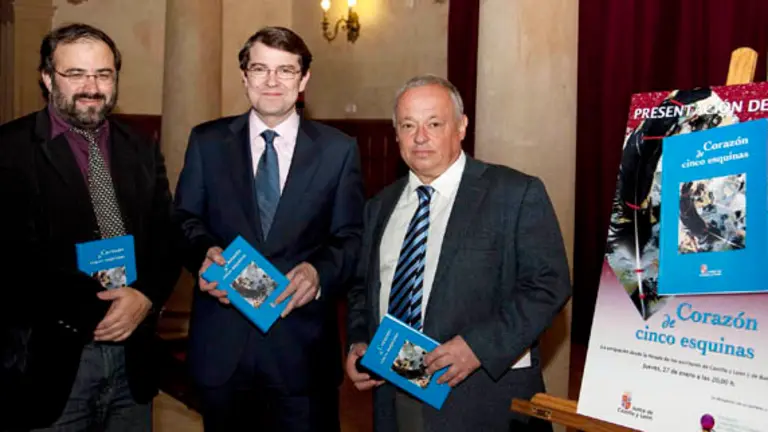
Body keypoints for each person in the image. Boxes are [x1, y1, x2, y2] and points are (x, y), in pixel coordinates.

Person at [346, 75, 572, 431]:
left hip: (484, 400)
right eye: (408, 125)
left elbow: (548, 285)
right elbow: (362, 289)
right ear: (396, 134)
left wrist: (478, 348)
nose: (420, 137)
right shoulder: (380, 206)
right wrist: (359, 341)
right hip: (394, 394)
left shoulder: (514, 193)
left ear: (461, 127)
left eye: (434, 123)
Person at [173, 26, 364, 431]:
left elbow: (349, 235)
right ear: (244, 77)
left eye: (286, 71)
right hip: (223, 349)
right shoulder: (207, 141)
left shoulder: (338, 149)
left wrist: (319, 272)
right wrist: (202, 253)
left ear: (304, 80)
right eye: (260, 69)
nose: (272, 82)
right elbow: (184, 220)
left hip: (302, 351)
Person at [0, 23, 180, 431]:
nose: (92, 87)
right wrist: (102, 307)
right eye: (76, 74)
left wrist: (145, 297)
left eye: (103, 74)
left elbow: (166, 239)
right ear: (47, 78)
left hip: (133, 357)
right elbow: (14, 262)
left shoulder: (141, 147)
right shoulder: (9, 151)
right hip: (51, 362)